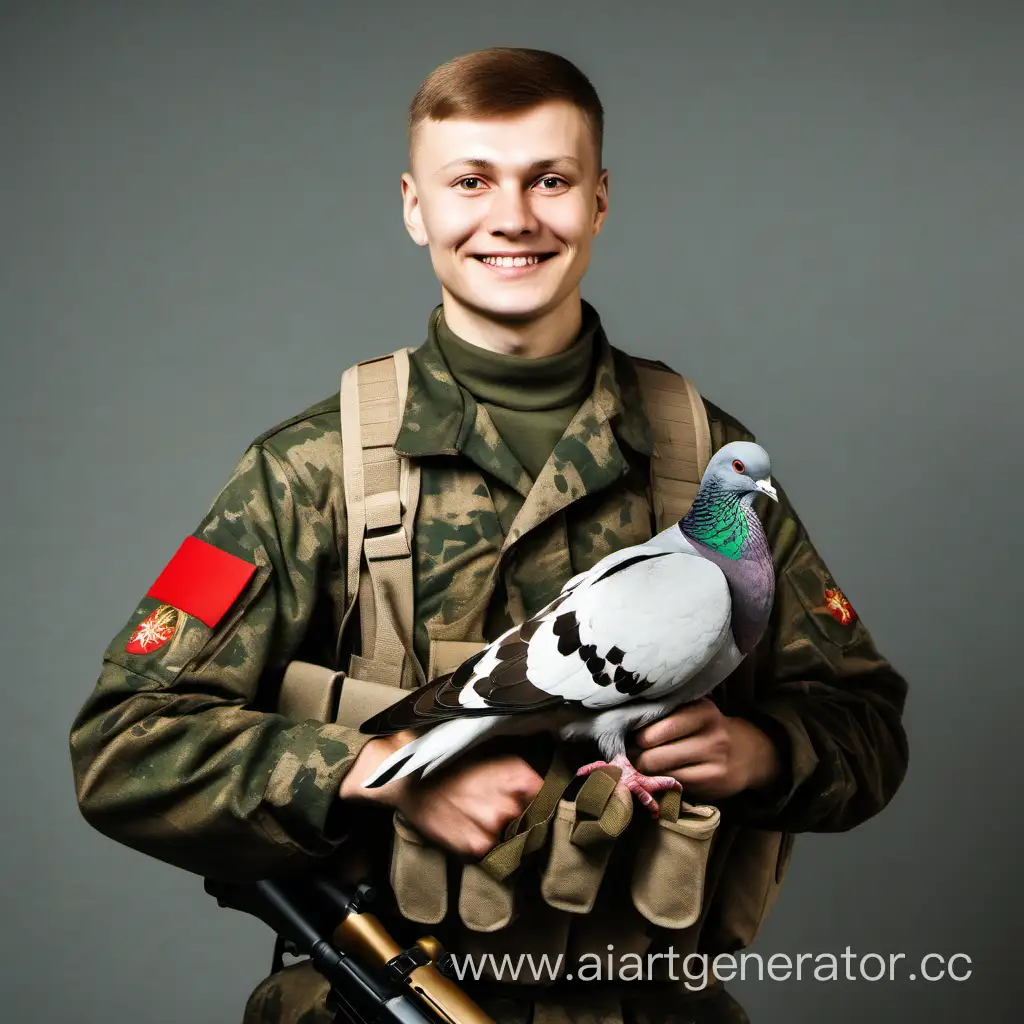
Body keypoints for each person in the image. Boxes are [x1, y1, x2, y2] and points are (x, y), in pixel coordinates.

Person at [69, 47, 909, 1024]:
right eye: (470, 180)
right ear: (414, 206)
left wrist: (759, 749)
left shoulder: (702, 451)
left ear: (598, 200)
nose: (512, 216)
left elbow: (866, 727)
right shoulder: (312, 468)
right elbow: (124, 746)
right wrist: (375, 773)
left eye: (549, 180)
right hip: (384, 1003)